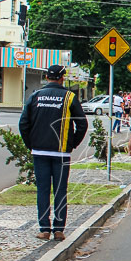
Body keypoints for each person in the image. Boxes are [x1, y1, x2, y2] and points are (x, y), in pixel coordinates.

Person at [19, 65, 89, 241]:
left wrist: (31, 144)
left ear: (47, 77)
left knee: (42, 190)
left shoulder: (35, 96)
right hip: (61, 153)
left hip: (39, 151)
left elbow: (23, 123)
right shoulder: (69, 97)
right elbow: (82, 124)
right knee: (60, 190)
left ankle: (44, 229)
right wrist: (72, 143)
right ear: (62, 78)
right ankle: (58, 230)